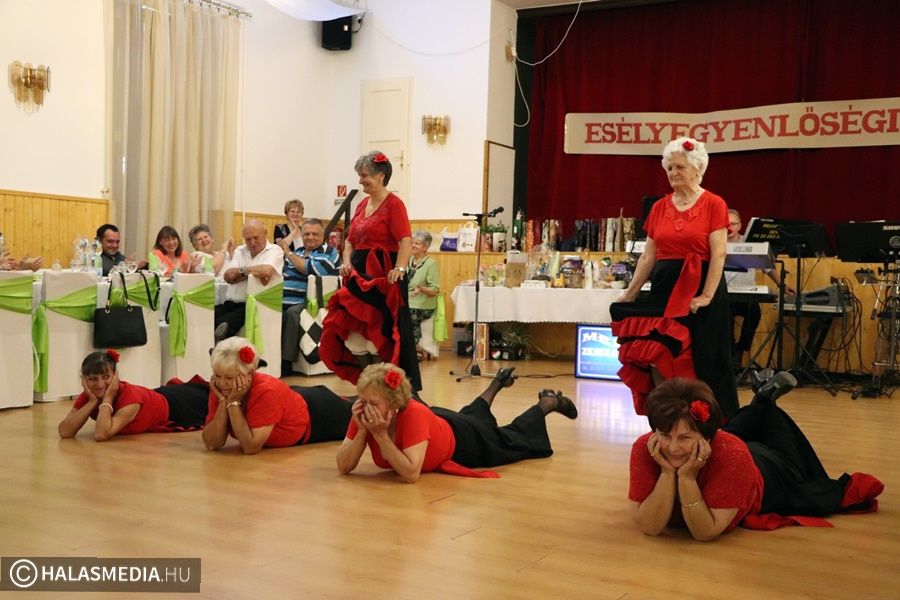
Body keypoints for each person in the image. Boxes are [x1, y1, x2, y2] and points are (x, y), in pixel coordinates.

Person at [628, 375, 882, 541]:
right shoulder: (645, 447)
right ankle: (763, 400)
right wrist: (668, 473)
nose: (672, 448)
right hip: (727, 444)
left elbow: (704, 532)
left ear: (706, 437)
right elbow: (650, 527)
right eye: (665, 435)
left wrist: (687, 477)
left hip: (767, 469)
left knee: (772, 424)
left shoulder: (732, 455)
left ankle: (764, 403)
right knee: (739, 427)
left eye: (684, 437)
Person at [611, 137, 739, 418]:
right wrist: (630, 293)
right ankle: (668, 417)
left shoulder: (714, 203)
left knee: (703, 358)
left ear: (697, 168)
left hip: (701, 286)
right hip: (665, 289)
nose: (673, 173)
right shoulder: (659, 207)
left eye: (679, 167)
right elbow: (648, 257)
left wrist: (706, 296)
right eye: (669, 168)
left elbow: (718, 254)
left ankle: (708, 421)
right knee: (659, 352)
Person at [336, 364, 577, 482]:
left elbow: (410, 473)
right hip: (443, 423)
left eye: (373, 402)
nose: (365, 406)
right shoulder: (364, 414)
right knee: (474, 416)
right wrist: (362, 432)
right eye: (362, 399)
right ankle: (497, 384)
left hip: (464, 442)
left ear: (394, 404)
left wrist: (380, 436)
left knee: (510, 440)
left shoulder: (413, 414)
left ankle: (547, 403)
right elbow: (344, 466)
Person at [322, 151, 422, 391]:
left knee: (380, 333)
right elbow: (349, 241)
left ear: (380, 176)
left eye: (364, 175)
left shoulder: (394, 204)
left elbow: (405, 241)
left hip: (383, 275)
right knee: (355, 332)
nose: (360, 180)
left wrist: (399, 268)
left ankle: (385, 389)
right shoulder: (361, 205)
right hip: (358, 275)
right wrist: (346, 261)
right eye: (359, 175)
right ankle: (367, 388)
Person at [202, 337, 353, 454]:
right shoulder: (221, 388)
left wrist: (233, 403)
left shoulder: (266, 391)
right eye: (217, 375)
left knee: (359, 412)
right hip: (294, 398)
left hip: (321, 413)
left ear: (250, 374)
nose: (221, 383)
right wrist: (223, 402)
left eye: (229, 378)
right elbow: (211, 443)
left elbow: (250, 447)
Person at [57, 350, 210, 440]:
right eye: (92, 379)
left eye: (106, 377)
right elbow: (65, 431)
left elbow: (101, 434)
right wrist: (91, 402)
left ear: (115, 376)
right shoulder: (91, 395)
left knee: (211, 397)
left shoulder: (129, 397)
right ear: (83, 379)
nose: (100, 384)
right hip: (157, 396)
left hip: (180, 405)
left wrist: (108, 398)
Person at [726, 208, 794, 370]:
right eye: (726, 224)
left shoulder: (749, 243)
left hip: (746, 295)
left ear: (740, 226)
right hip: (724, 295)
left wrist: (781, 285)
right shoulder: (716, 242)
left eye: (733, 224)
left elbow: (767, 267)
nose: (729, 227)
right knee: (723, 320)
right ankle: (728, 354)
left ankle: (740, 350)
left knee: (754, 314)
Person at [280, 218, 341, 375]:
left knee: (292, 313)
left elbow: (312, 269)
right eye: (306, 234)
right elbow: (284, 272)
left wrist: (288, 253)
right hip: (283, 298)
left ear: (323, 235)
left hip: (311, 301)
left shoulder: (329, 252)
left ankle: (286, 362)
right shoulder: (298, 252)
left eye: (315, 234)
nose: (310, 237)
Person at [214, 220, 284, 342]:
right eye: (248, 239)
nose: (252, 242)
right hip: (230, 303)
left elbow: (267, 271)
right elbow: (228, 276)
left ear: (265, 233)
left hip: (254, 305)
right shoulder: (240, 250)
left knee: (221, 323)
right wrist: (251, 273)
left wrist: (240, 272)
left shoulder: (275, 250)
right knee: (206, 316)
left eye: (256, 237)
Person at [407, 230, 441, 360]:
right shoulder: (408, 261)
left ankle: (414, 351)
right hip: (407, 301)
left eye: (417, 243)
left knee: (410, 315)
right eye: (413, 243)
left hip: (423, 305)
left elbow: (434, 290)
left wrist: (421, 289)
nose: (413, 245)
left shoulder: (430, 264)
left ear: (425, 248)